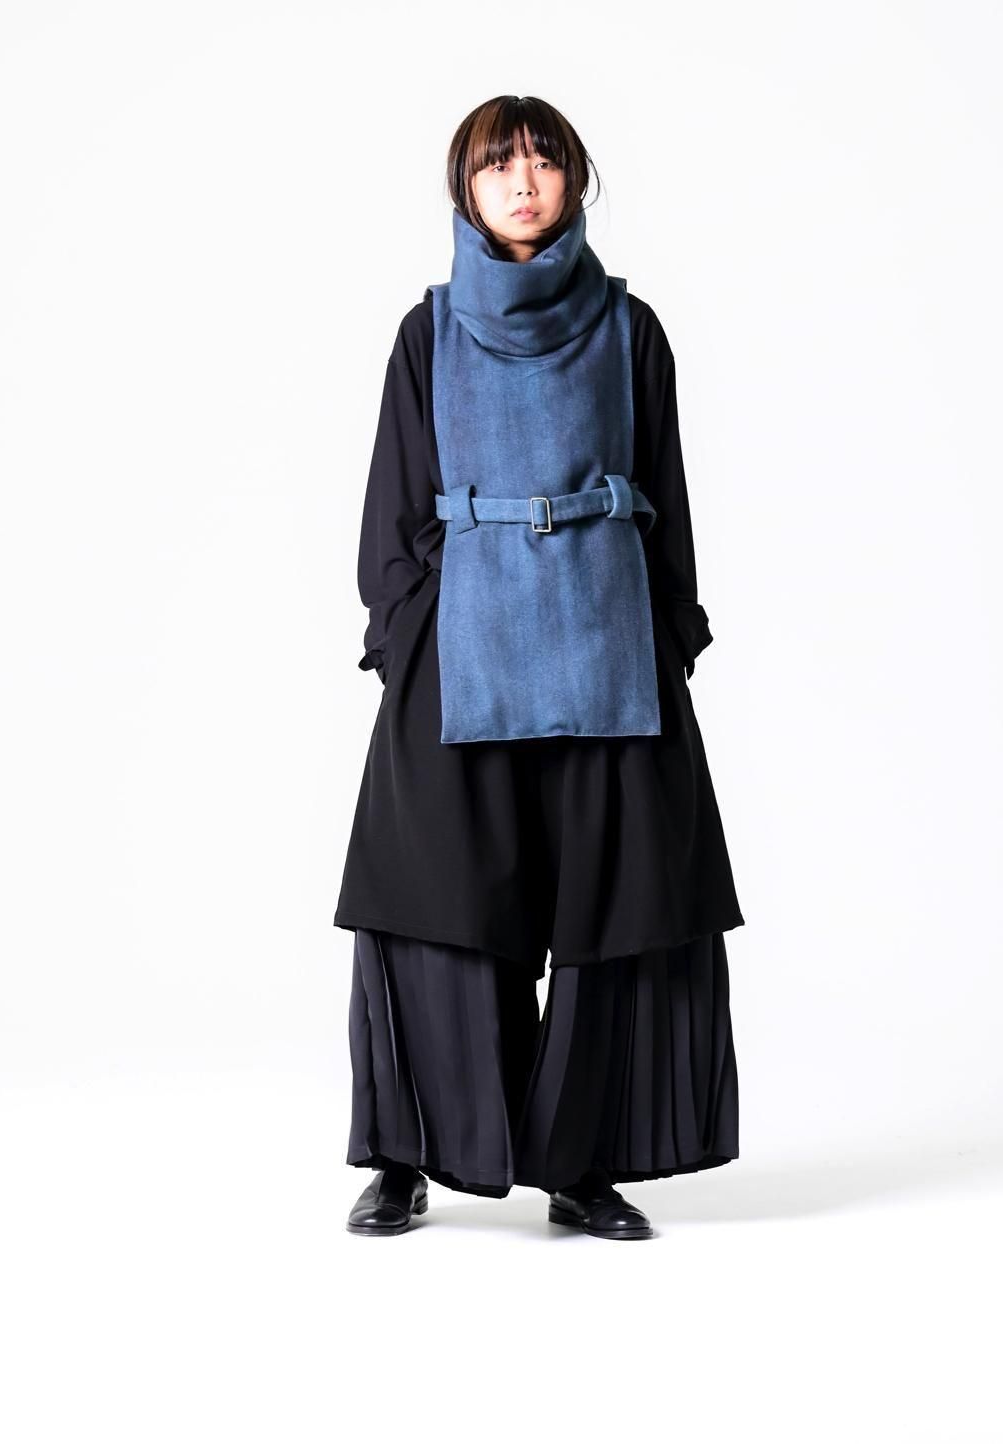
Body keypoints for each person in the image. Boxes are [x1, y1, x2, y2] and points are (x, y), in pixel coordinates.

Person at [335, 94, 745, 1240]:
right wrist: (410, 633)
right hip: (462, 641)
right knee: (432, 900)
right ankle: (407, 1157)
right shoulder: (425, 334)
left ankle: (582, 1165)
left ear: (575, 180)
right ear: (464, 189)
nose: (522, 182)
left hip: (606, 641)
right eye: (497, 164)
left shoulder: (631, 330)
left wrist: (666, 637)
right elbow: (395, 503)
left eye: (544, 160)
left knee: (613, 904)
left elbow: (664, 495)